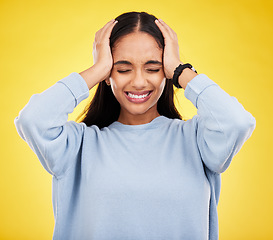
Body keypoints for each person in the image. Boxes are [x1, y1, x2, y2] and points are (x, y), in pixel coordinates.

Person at [14, 11, 256, 240]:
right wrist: (97, 69)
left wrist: (181, 71)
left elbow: (238, 122)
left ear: (166, 73)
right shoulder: (78, 146)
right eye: (122, 69)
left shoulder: (196, 140)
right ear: (108, 74)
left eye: (153, 68)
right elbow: (32, 120)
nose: (139, 81)